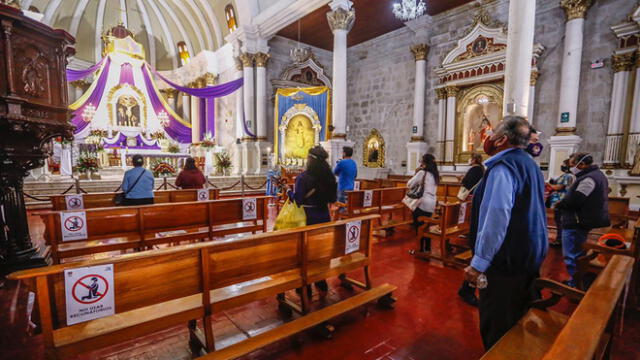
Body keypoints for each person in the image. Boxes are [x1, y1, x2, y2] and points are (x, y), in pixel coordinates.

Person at [463, 116, 548, 350]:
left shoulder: (503, 167)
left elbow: (496, 217)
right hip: (528, 254)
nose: (487, 137)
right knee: (518, 314)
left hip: (506, 260)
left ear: (501, 140)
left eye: (492, 133)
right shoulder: (529, 163)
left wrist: (479, 263)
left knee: (497, 322)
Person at [553, 152, 610, 287]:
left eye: (572, 165)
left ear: (582, 165)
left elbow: (576, 200)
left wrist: (559, 204)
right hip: (581, 220)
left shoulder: (588, 178)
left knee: (572, 255)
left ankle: (575, 284)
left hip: (577, 222)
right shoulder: (597, 175)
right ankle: (579, 280)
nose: (571, 167)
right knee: (578, 252)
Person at [289, 145, 338, 296]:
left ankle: (305, 283)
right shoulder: (329, 177)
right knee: (320, 250)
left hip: (308, 216)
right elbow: (333, 199)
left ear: (310, 159)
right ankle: (320, 280)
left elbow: (297, 200)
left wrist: (288, 192)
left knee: (305, 251)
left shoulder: (303, 177)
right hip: (324, 215)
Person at [457, 152, 485, 307]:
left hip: (471, 199)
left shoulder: (475, 169)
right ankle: (468, 288)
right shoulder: (483, 169)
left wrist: (462, 180)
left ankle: (468, 288)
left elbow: (467, 182)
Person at [407, 153, 439, 253]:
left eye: (421, 161)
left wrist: (416, 173)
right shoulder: (435, 174)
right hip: (432, 203)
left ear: (424, 163)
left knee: (418, 226)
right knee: (426, 226)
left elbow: (409, 184)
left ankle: (419, 249)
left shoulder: (422, 173)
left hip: (422, 202)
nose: (420, 162)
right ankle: (428, 248)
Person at [546, 159, 575, 247]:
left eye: (564, 164)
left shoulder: (568, 176)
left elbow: (559, 187)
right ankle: (561, 239)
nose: (562, 166)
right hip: (561, 201)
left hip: (561, 200)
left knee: (560, 221)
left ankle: (560, 240)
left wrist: (548, 184)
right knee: (559, 220)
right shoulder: (569, 175)